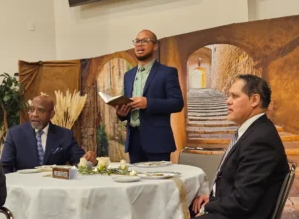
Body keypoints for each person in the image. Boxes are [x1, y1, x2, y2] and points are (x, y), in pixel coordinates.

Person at [191, 74, 289, 219]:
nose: (228, 101)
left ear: (254, 100)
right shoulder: (253, 131)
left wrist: (210, 206)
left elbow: (243, 201)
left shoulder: (261, 140)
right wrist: (212, 199)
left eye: (234, 96)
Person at [115, 29, 184, 163]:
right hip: (133, 140)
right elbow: (127, 106)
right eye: (137, 41)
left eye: (145, 41)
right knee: (136, 183)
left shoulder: (167, 72)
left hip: (158, 141)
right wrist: (121, 113)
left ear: (155, 46)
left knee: (159, 183)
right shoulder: (128, 76)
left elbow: (177, 103)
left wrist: (148, 103)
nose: (140, 44)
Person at [1, 95, 96, 174]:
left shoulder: (65, 135)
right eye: (31, 110)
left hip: (55, 188)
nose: (34, 114)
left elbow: (80, 161)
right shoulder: (14, 134)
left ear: (52, 114)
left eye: (40, 110)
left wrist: (89, 159)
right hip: (25, 190)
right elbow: (5, 167)